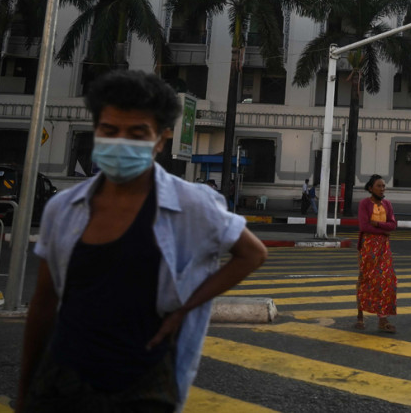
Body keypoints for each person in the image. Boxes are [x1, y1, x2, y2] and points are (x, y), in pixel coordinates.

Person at [17, 70, 267, 413]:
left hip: (144, 380)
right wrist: (25, 390)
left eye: (137, 133)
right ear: (96, 130)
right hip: (64, 375)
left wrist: (186, 307)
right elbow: (44, 304)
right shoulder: (63, 208)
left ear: (161, 139)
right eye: (110, 130)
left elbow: (252, 254)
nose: (121, 142)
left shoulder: (193, 203)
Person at [355, 174, 398, 333]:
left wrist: (378, 224)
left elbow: (393, 225)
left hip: (383, 247)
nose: (382, 189)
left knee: (387, 281)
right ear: (370, 188)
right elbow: (364, 226)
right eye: (379, 186)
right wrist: (383, 230)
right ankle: (360, 315)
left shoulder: (387, 204)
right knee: (366, 279)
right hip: (368, 247)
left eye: (383, 186)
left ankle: (383, 319)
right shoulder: (364, 204)